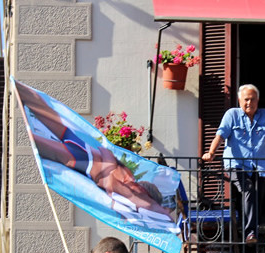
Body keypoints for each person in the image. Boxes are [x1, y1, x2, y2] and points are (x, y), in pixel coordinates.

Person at [15, 81, 176, 222]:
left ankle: (18, 88)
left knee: (40, 125)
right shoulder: (129, 189)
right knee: (40, 115)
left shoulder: (126, 191)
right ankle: (18, 88)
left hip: (84, 154)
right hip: (85, 158)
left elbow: (106, 155)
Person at [201, 84, 265, 244]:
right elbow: (220, 135)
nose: (249, 103)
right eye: (246, 99)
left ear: (258, 100)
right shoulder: (232, 114)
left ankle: (250, 232)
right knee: (248, 189)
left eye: (253, 99)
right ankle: (250, 233)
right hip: (235, 164)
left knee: (257, 197)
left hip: (260, 165)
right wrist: (211, 152)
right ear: (239, 100)